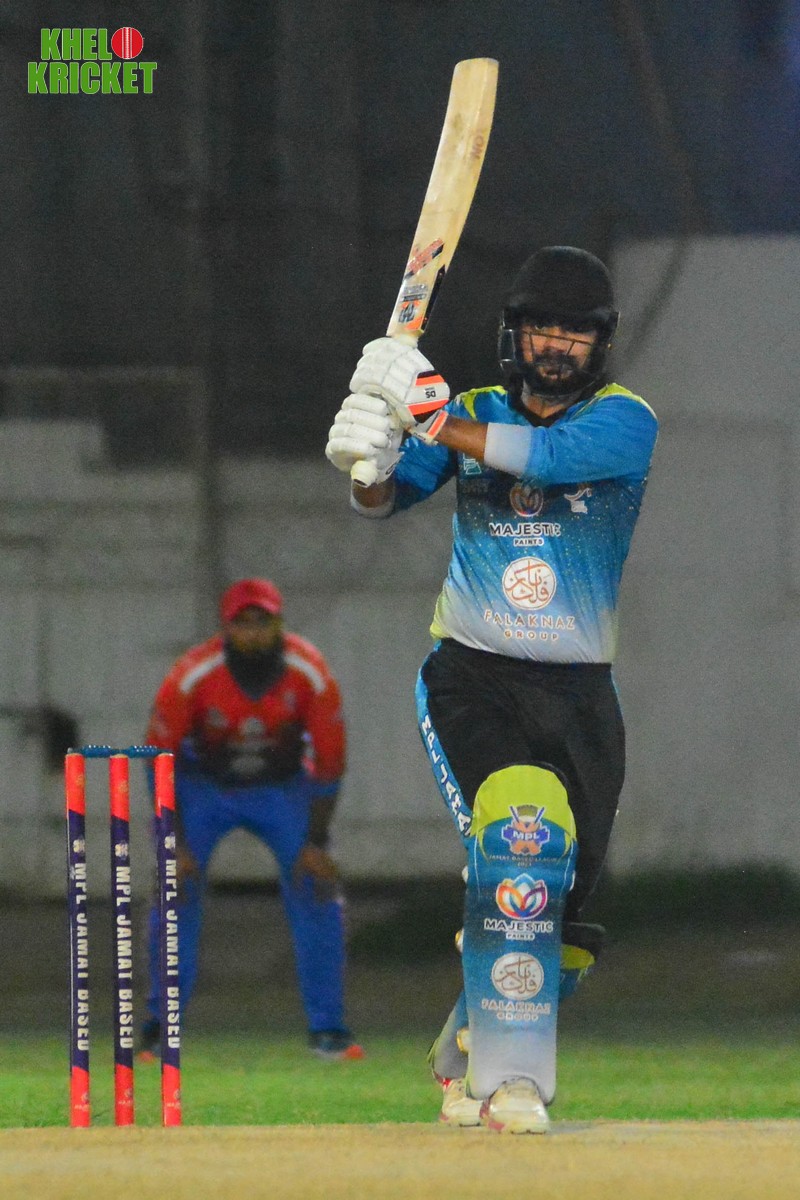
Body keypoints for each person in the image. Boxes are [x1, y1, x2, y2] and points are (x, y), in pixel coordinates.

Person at [325, 246, 658, 1129]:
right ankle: (511, 1083)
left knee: (567, 925)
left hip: (581, 696)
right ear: (514, 333)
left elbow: (542, 459)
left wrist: (428, 414)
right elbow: (385, 500)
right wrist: (369, 461)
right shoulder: (473, 410)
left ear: (601, 343)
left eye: (575, 333)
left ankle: (460, 1051)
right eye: (542, 327)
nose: (556, 345)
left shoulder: (625, 422)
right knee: (521, 834)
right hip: (473, 677)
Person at [137, 577, 364, 1061]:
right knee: (175, 890)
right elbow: (157, 758)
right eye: (243, 623)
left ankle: (328, 1031)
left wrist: (316, 843)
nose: (254, 633)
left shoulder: (309, 672)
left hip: (281, 791)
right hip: (204, 788)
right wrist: (174, 844)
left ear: (280, 624)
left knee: (316, 888)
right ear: (226, 628)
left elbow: (330, 763)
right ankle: (160, 1027)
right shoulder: (192, 674)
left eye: (263, 622)